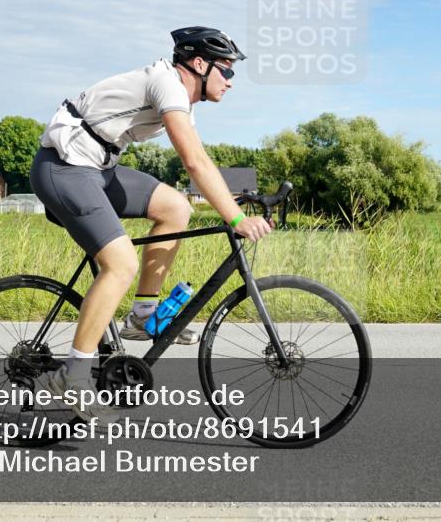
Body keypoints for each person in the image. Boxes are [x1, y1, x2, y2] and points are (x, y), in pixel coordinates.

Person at [29, 27, 272, 423]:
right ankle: (71, 376)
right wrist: (237, 218)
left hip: (98, 168)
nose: (230, 81)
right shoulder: (168, 85)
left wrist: (235, 201)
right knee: (121, 263)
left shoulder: (182, 97)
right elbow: (193, 161)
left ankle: (142, 316)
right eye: (226, 71)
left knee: (176, 208)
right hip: (63, 168)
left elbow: (201, 162)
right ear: (199, 64)